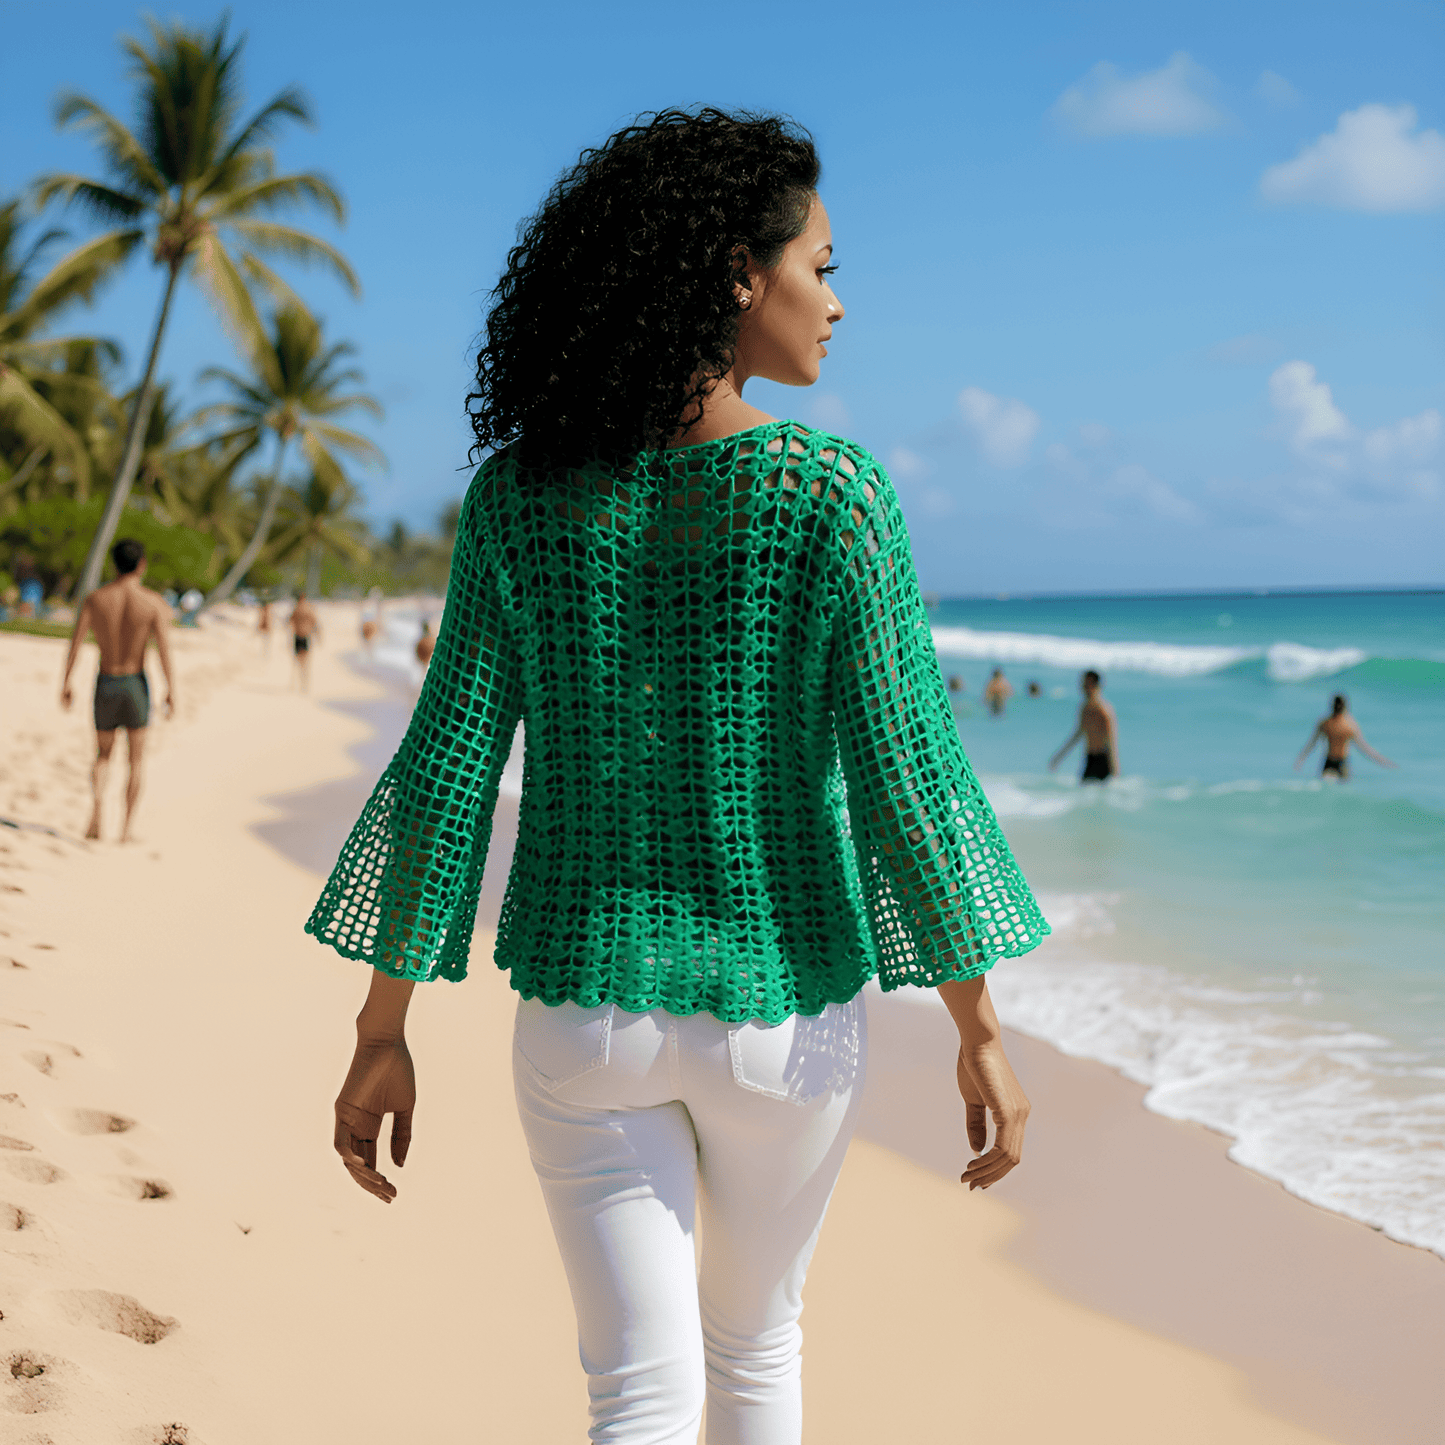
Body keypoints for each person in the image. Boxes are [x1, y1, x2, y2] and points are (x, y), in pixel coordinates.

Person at [308, 110, 1047, 1443]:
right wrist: (975, 1022)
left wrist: (382, 1030)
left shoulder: (521, 497)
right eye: (820, 265)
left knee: (633, 1390)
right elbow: (908, 780)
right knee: (757, 1354)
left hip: (586, 1013)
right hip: (788, 1019)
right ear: (734, 273)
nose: (836, 301)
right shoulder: (837, 496)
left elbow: (450, 772)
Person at [59, 538, 175, 842]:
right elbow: (164, 651)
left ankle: (97, 817)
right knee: (136, 759)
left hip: (107, 682)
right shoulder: (153, 603)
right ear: (141, 565)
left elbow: (75, 643)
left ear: (114, 564)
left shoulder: (96, 599)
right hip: (135, 683)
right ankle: (125, 830)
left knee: (103, 755)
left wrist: (66, 681)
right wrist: (171, 689)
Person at [1294, 693, 1395, 780]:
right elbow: (1364, 748)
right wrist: (1383, 761)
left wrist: (1301, 759)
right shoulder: (1348, 725)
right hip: (1339, 763)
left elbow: (1312, 743)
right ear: (1345, 706)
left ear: (1332, 706)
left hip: (1333, 762)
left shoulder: (1326, 723)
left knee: (1327, 788)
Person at [1048, 669, 1118, 783]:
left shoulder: (1104, 710)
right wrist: (1059, 757)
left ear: (1095, 685)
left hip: (1103, 760)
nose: (1083, 687)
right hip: (1089, 758)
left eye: (1086, 684)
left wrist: (1115, 768)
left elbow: (1112, 741)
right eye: (1083, 684)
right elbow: (1077, 734)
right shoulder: (1084, 708)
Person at [289, 591, 320, 691]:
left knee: (298, 661)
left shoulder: (297, 608)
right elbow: (315, 623)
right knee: (304, 662)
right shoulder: (308, 608)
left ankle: (299, 683)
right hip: (305, 636)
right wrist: (318, 635)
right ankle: (303, 683)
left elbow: (290, 622)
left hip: (298, 636)